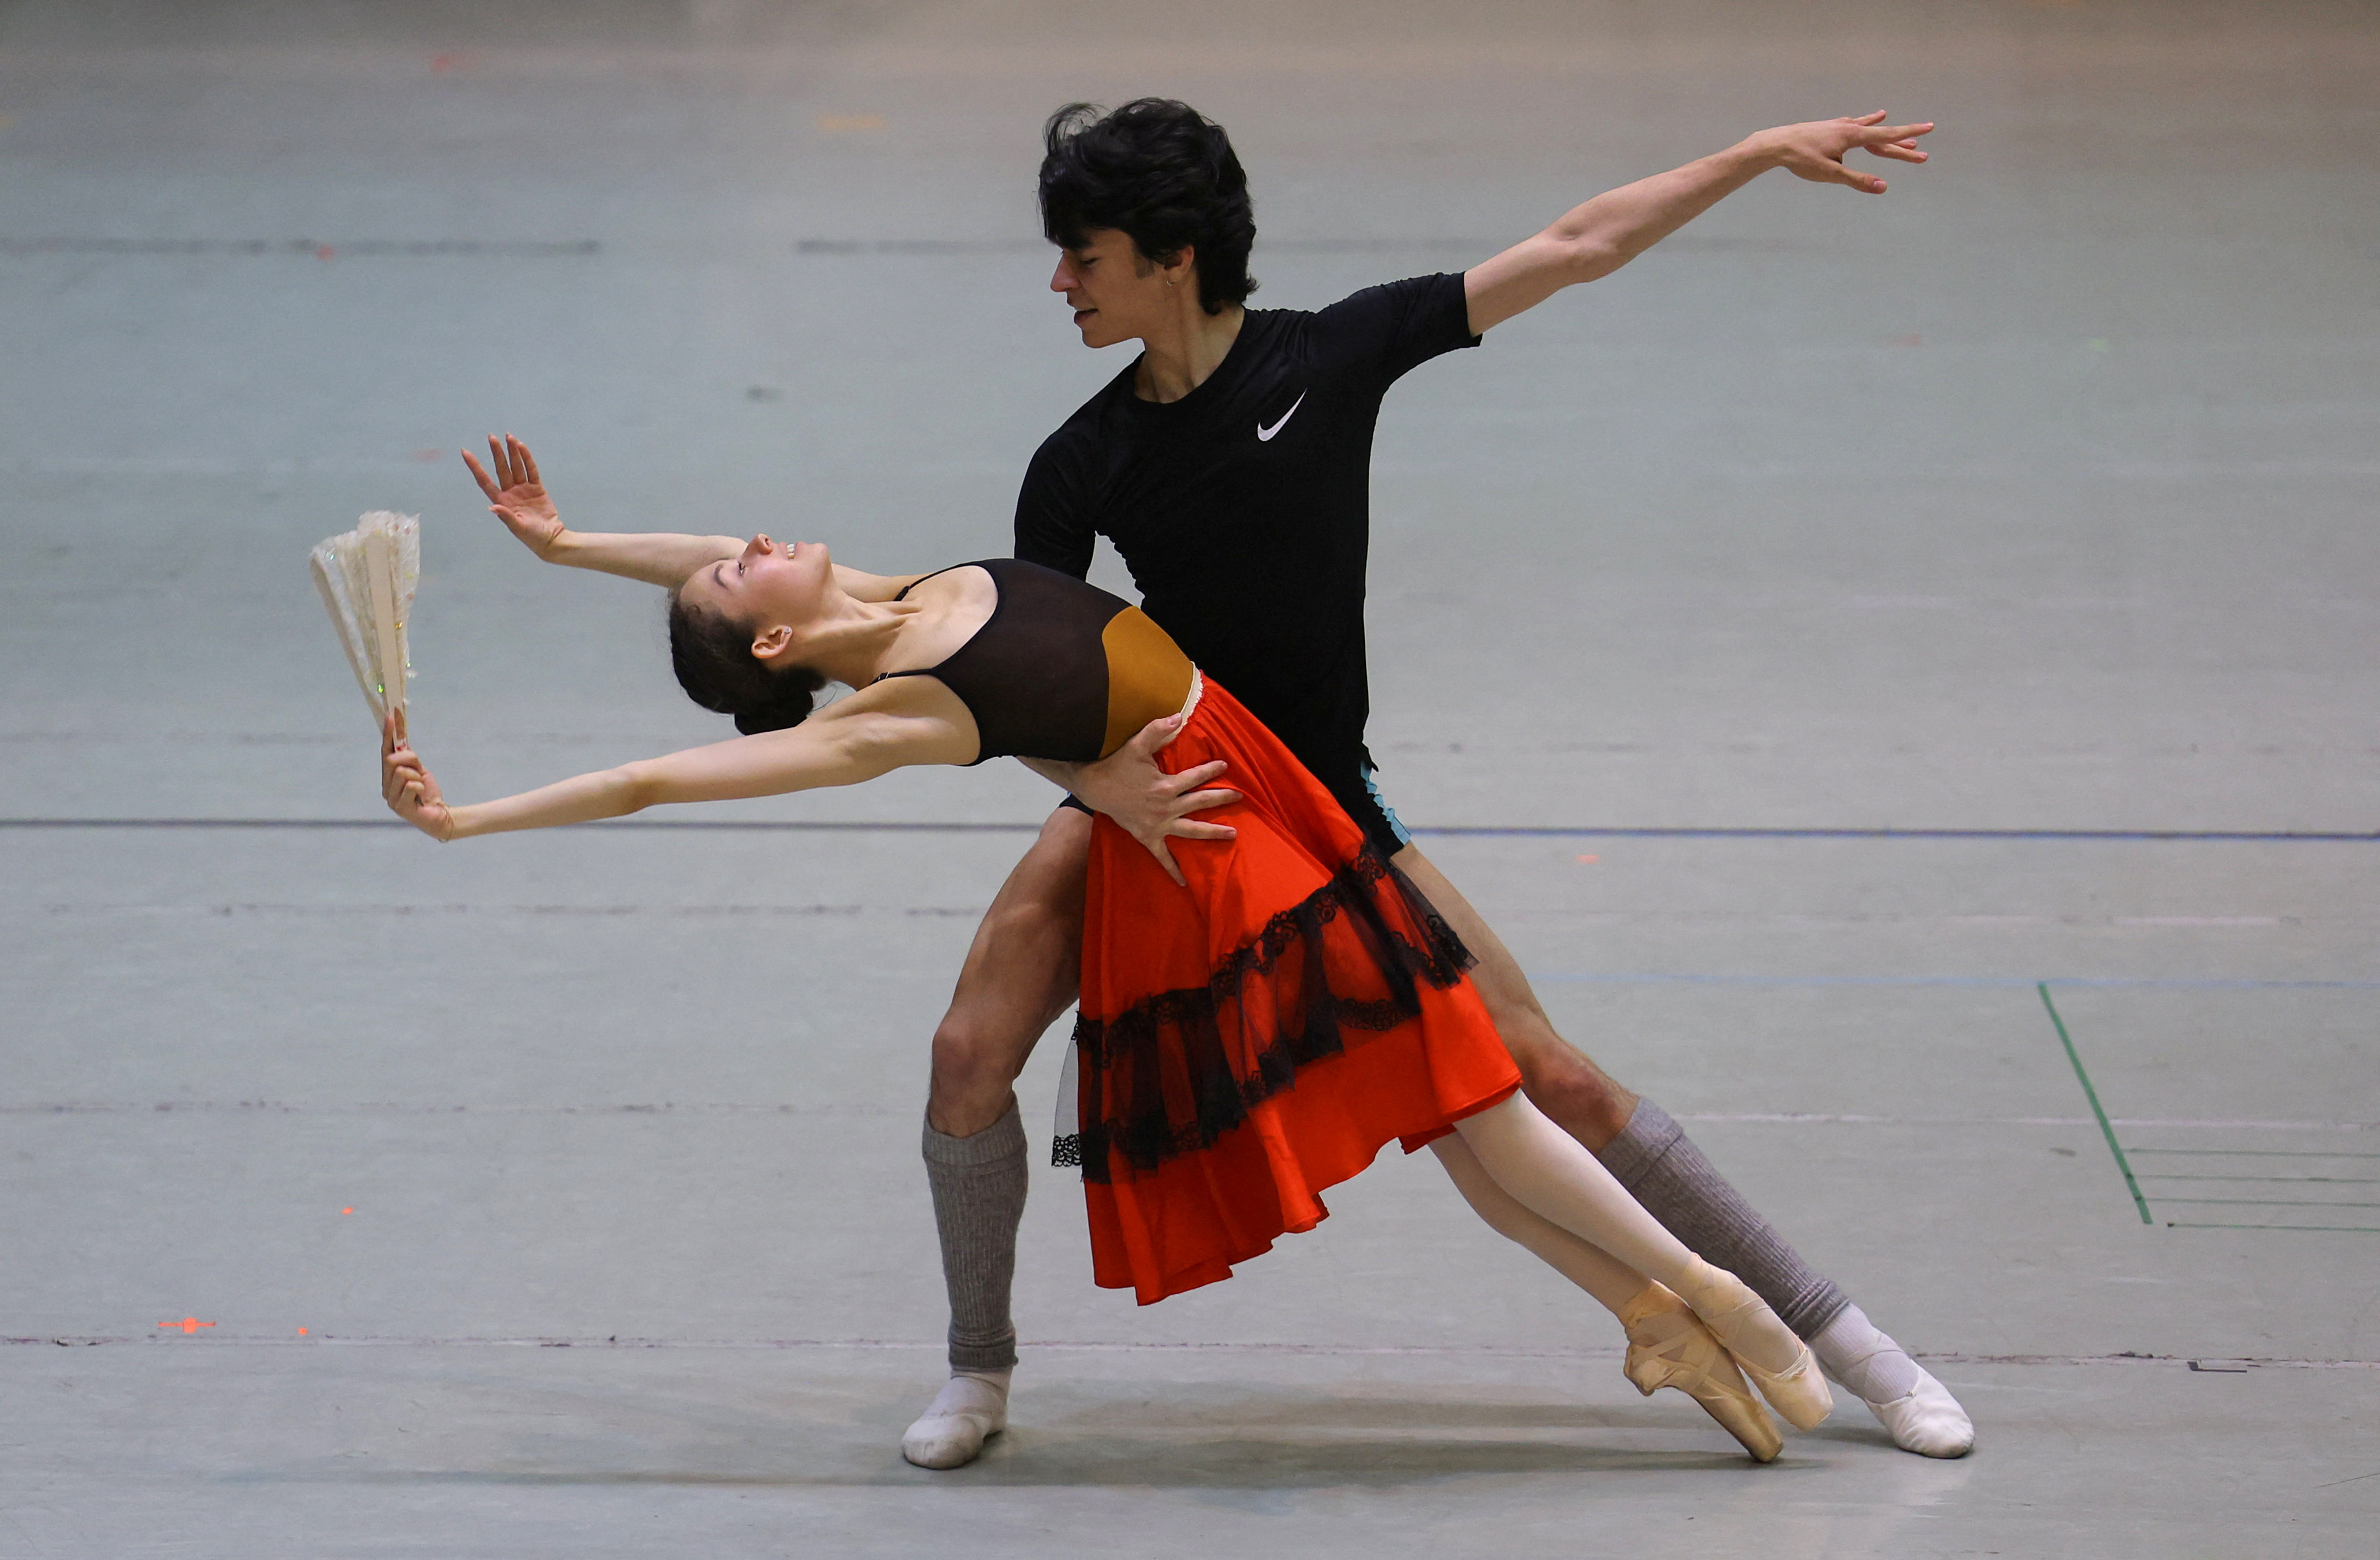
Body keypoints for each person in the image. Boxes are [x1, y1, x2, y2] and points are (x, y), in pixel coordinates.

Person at [894, 99, 1973, 1468]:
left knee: (1550, 1075)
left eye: (1083, 256)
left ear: (1171, 255)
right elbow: (1026, 673)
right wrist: (1097, 784)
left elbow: (1579, 245)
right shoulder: (1079, 461)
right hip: (1164, 790)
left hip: (1324, 801)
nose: (1060, 283)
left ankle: (1857, 1348)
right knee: (965, 1054)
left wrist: (1753, 155)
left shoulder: (1332, 355)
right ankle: (976, 1373)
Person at [380, 480, 1838, 1463]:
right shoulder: (894, 713)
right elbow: (655, 776)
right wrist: (463, 819)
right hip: (1201, 838)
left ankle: (1656, 1317)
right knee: (1459, 1083)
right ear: (775, 634)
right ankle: (1705, 1284)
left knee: (1447, 1104)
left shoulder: (907, 588)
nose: (742, 530)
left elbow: (708, 599)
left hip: (1252, 775)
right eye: (732, 567)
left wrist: (571, 550)